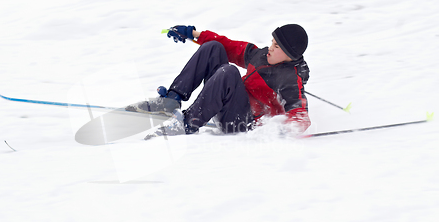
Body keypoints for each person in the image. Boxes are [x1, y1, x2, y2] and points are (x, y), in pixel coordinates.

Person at [126, 24, 311, 139]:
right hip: (229, 106)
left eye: (276, 46)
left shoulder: (290, 81)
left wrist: (283, 130)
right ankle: (172, 99)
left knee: (229, 72)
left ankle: (186, 124)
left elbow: (300, 116)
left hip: (242, 124)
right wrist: (193, 34)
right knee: (214, 47)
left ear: (289, 54)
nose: (270, 48)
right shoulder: (261, 55)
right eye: (272, 42)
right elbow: (230, 45)